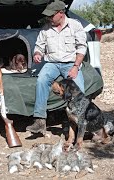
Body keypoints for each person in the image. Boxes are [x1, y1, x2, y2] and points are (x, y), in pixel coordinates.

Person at [26, 0, 87, 135]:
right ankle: (40, 120)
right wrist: (37, 53)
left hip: (71, 63)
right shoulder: (46, 28)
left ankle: (79, 124)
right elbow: (39, 46)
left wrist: (76, 67)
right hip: (52, 63)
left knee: (78, 89)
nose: (48, 18)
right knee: (42, 80)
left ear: (61, 13)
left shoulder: (75, 25)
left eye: (51, 15)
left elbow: (82, 47)